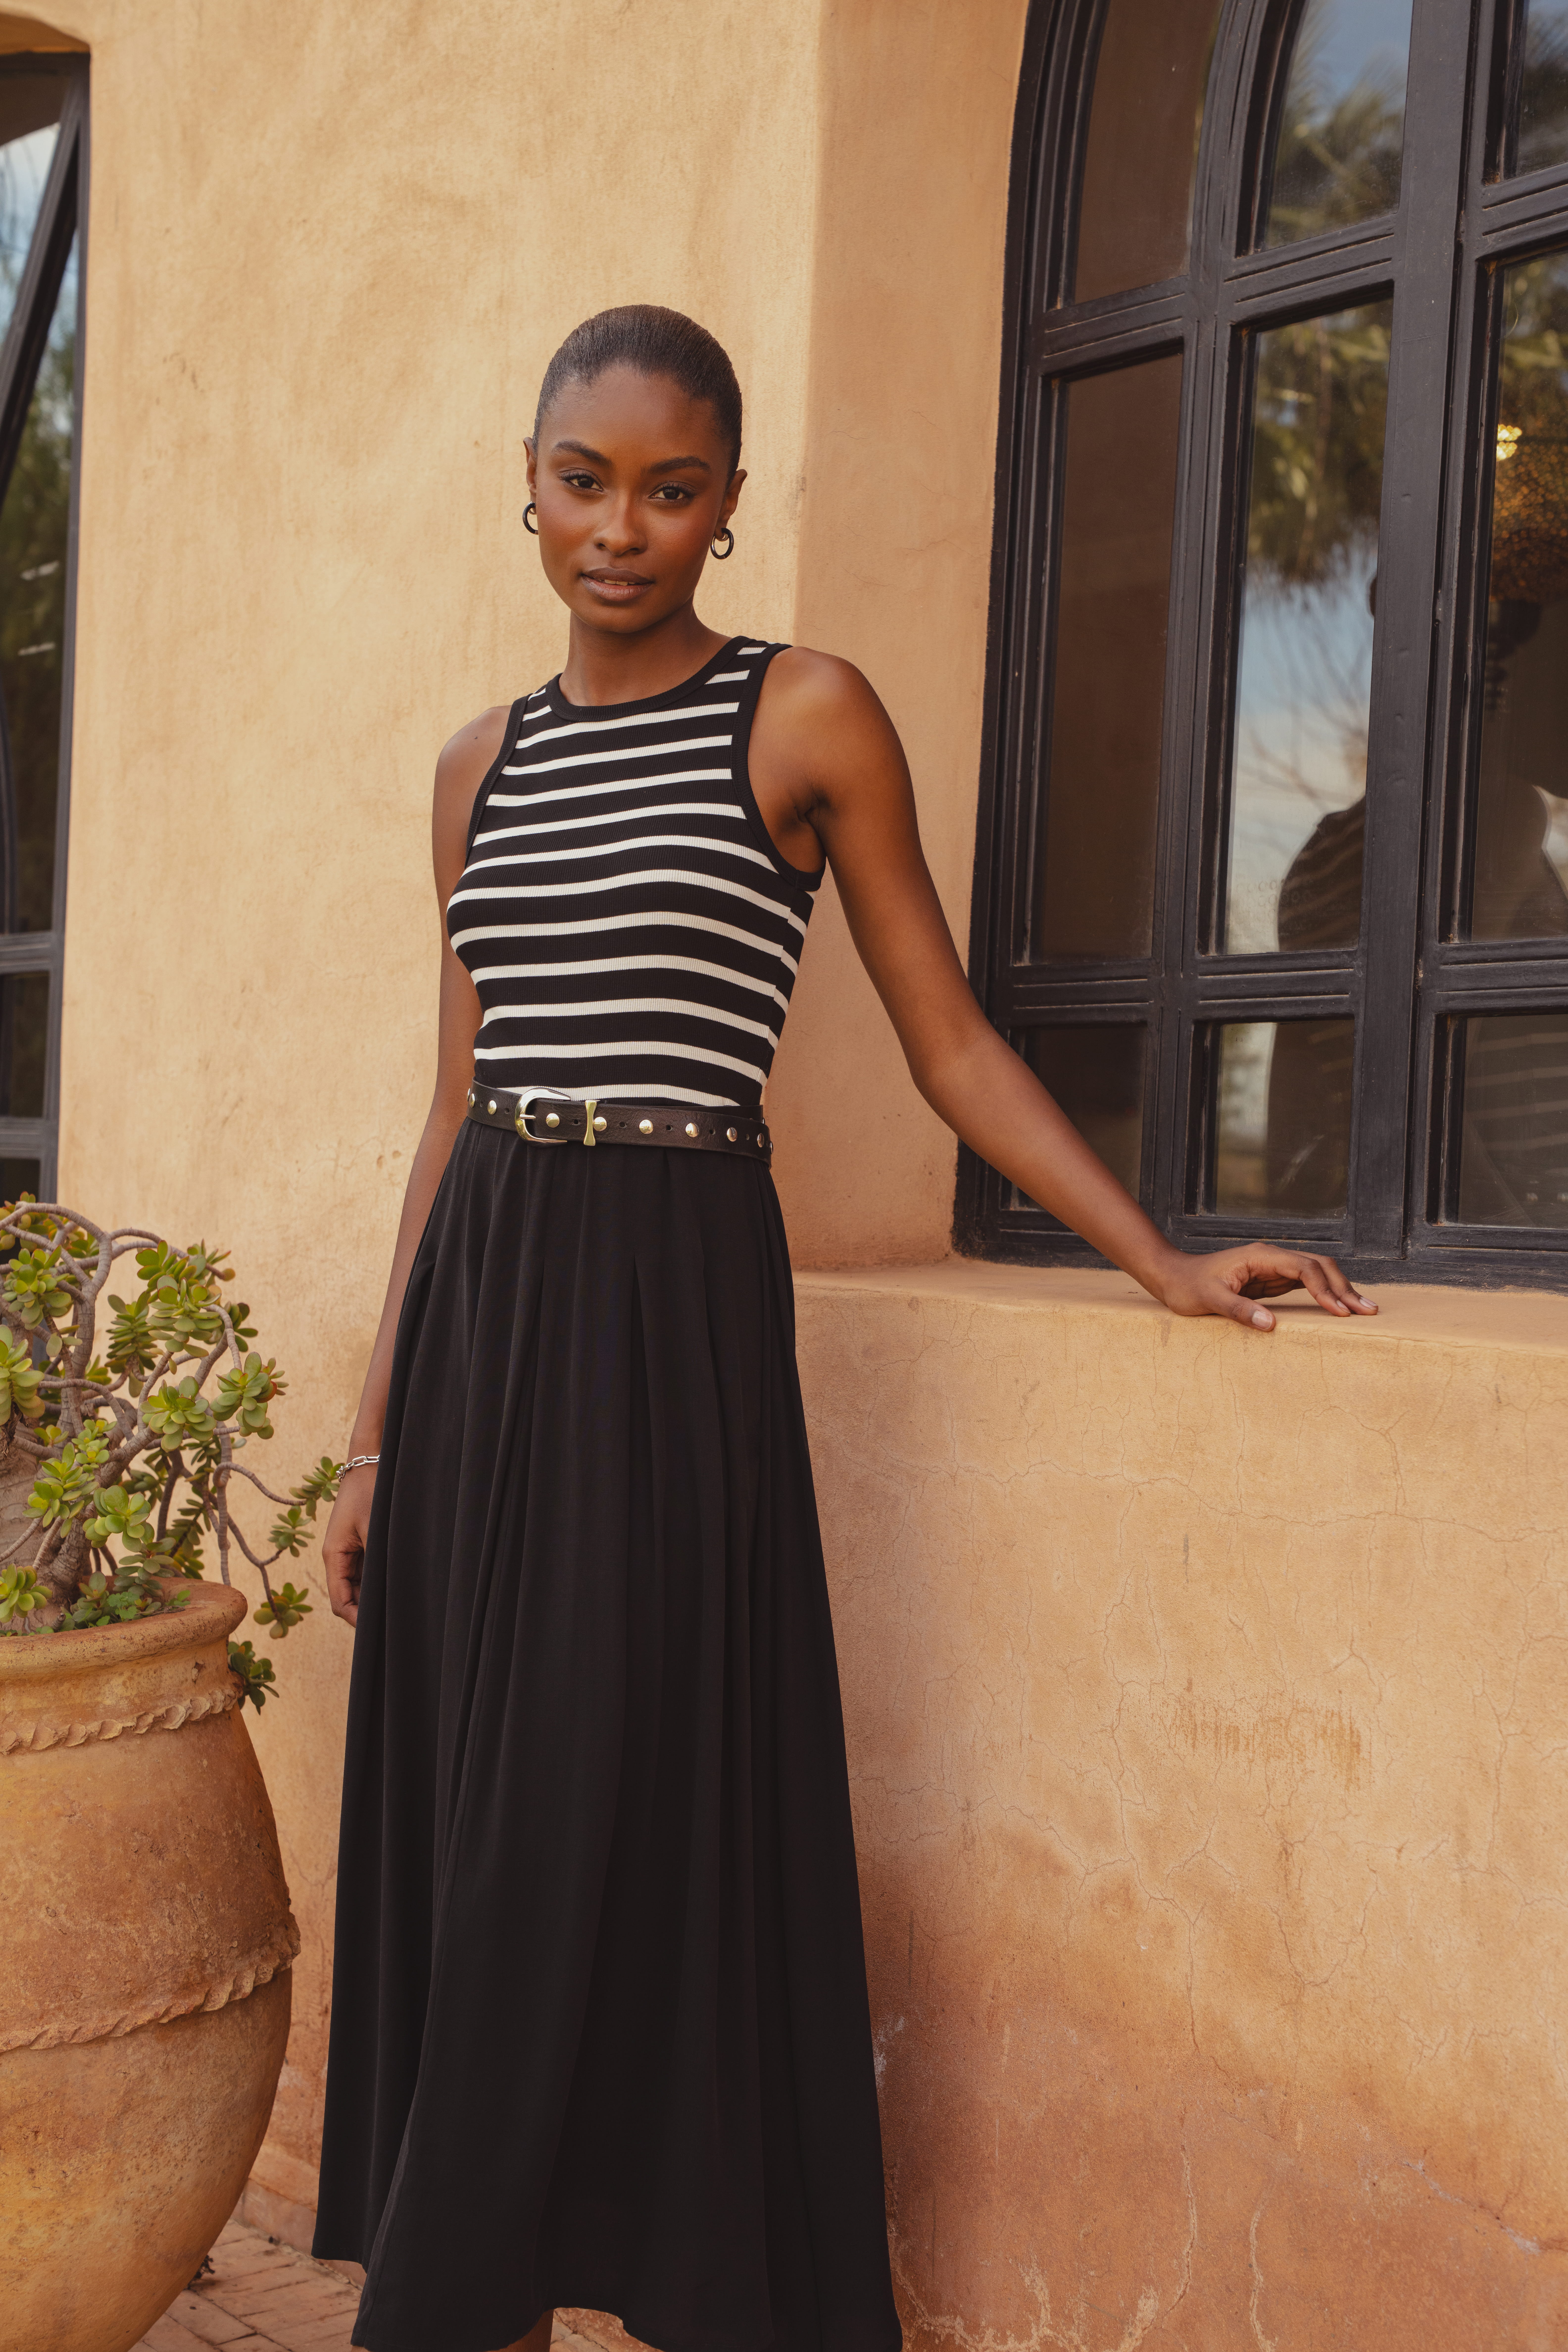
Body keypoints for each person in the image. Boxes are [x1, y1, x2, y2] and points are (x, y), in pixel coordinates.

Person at [312, 304, 1376, 2352]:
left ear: (728, 500)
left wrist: (1158, 1253)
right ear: (523, 489)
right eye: (583, 479)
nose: (623, 525)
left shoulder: (799, 716)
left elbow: (949, 1040)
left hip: (670, 1306)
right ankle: (493, 2290)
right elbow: (453, 1100)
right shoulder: (479, 770)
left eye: (672, 484)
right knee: (487, 1840)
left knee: (597, 1825)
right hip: (489, 1318)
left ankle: (482, 2302)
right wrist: (377, 1444)